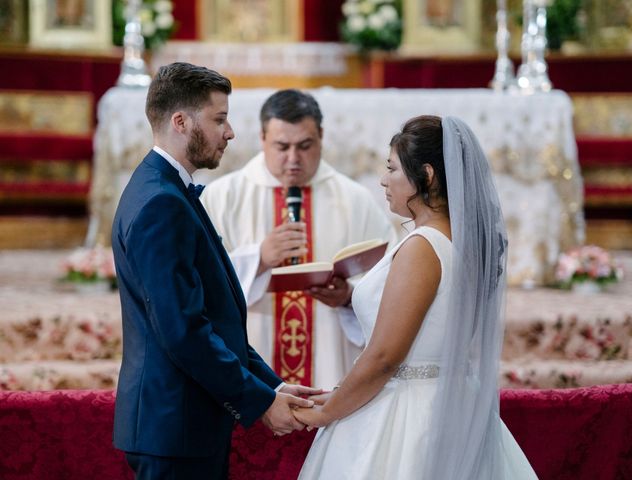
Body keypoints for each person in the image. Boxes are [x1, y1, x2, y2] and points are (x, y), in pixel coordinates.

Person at [293, 115, 539, 479]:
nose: (383, 179)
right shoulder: (463, 241)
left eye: (392, 168)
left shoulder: (422, 247)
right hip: (453, 401)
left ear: (425, 175)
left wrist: (328, 413)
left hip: (407, 415)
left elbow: (384, 357)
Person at [111, 62, 319, 480]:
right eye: (219, 118)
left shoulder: (163, 188)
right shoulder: (161, 203)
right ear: (181, 121)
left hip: (182, 422)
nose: (230, 132)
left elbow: (213, 317)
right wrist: (258, 402)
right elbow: (183, 331)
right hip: (175, 425)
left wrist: (272, 386)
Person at [200, 89, 397, 390]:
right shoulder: (223, 196)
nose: (293, 159)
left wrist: (349, 296)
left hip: (332, 368)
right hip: (252, 365)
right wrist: (259, 258)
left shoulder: (355, 200)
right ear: (262, 138)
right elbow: (199, 279)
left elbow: (392, 278)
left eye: (305, 146)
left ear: (321, 135)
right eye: (282, 146)